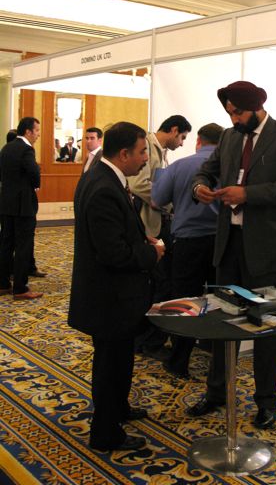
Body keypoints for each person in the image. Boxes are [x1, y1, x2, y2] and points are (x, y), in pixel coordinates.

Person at [188, 80, 276, 429]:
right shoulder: (229, 137)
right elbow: (206, 170)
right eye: (229, 113)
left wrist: (247, 194)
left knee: (266, 326)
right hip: (228, 245)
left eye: (238, 113)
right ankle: (216, 392)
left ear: (257, 107)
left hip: (264, 249)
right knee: (221, 320)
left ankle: (266, 401)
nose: (234, 119)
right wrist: (199, 186)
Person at [68, 121, 165, 452]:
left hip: (111, 296)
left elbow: (115, 234)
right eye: (141, 152)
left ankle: (118, 409)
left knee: (119, 360)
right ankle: (106, 433)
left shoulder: (102, 177)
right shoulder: (104, 188)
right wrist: (152, 253)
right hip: (109, 297)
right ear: (124, 154)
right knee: (110, 366)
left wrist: (140, 238)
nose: (145, 159)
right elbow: (113, 253)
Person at [151, 122, 223, 378]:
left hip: (188, 243)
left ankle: (178, 360)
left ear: (198, 141)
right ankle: (218, 359)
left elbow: (157, 200)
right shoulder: (230, 168)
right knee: (220, 300)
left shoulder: (180, 166)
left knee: (185, 302)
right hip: (221, 244)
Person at [128, 115, 192, 356]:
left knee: (161, 283)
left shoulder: (160, 151)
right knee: (159, 283)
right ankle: (147, 340)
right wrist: (166, 200)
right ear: (174, 130)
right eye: (182, 137)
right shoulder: (147, 146)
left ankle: (150, 338)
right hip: (148, 226)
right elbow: (138, 184)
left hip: (156, 224)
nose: (182, 143)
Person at [0, 117, 43, 299]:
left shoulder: (6, 148)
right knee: (23, 246)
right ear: (28, 132)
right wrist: (35, 185)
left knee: (6, 244)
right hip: (23, 205)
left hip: (6, 204)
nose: (38, 135)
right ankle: (20, 288)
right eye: (37, 131)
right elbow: (34, 172)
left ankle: (3, 284)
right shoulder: (26, 149)